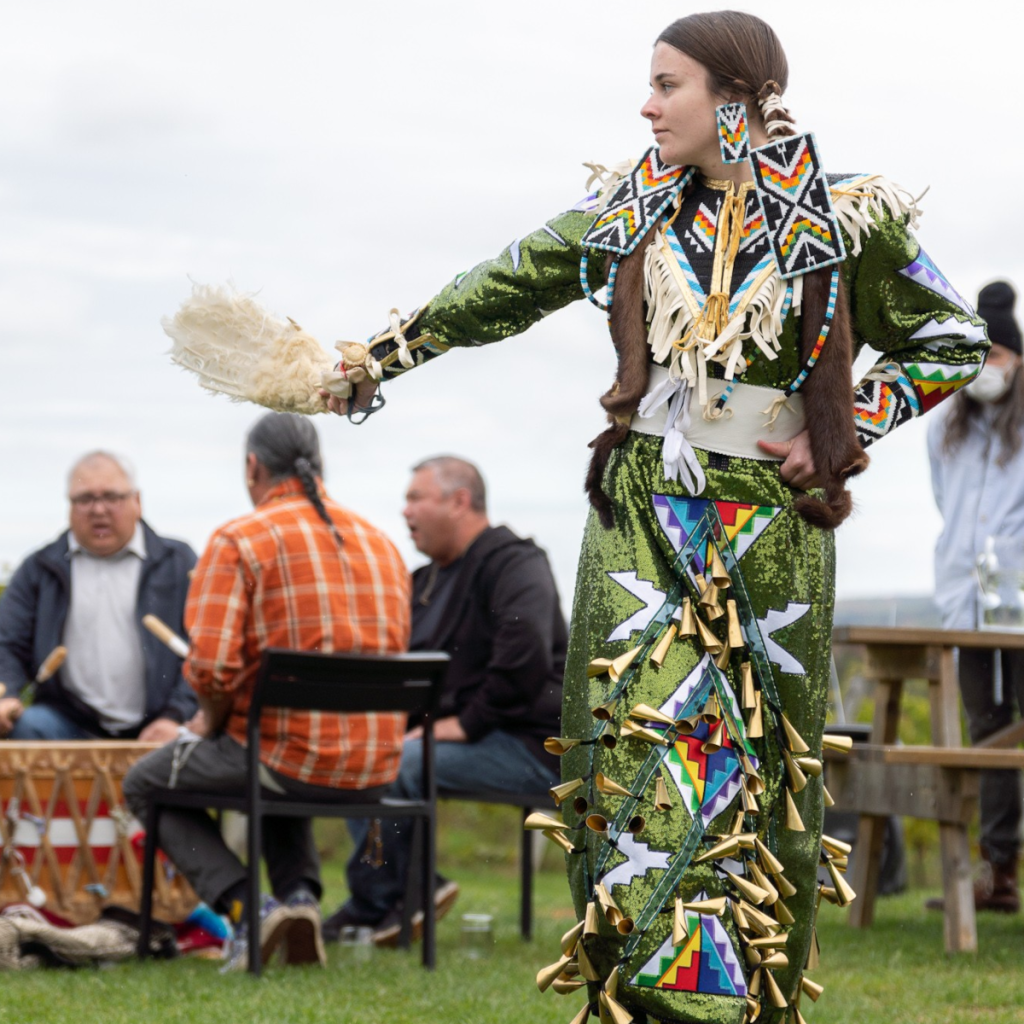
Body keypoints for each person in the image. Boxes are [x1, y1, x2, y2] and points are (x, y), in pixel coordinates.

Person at [179, 10, 987, 1021]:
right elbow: (501, 285)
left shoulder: (845, 219)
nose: (646, 106)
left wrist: (849, 420)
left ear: (734, 99)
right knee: (633, 753)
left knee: (752, 763)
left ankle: (737, 1001)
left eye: (667, 85)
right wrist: (366, 364)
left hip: (769, 533)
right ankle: (648, 998)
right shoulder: (628, 211)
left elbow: (949, 335)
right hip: (642, 519)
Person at [122, 413, 411, 970]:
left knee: (145, 783)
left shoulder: (241, 540)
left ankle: (247, 907)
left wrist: (208, 720)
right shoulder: (382, 544)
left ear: (253, 466)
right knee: (274, 754)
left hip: (285, 758)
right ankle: (300, 901)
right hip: (375, 768)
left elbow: (210, 669)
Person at [323, 456, 564, 945]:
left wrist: (464, 725)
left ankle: (386, 904)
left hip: (531, 745)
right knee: (369, 753)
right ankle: (407, 894)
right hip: (462, 741)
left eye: (416, 498)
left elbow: (525, 655)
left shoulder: (514, 561)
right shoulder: (423, 580)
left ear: (459, 501)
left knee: (397, 762)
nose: (404, 511)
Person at [928, 281, 1024, 914]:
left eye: (999, 356)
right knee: (984, 732)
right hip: (966, 601)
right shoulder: (944, 425)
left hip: (1021, 603)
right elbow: (945, 500)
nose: (990, 367)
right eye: (980, 355)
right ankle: (998, 872)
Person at [0, 451, 196, 742]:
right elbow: (7, 642)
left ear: (137, 502)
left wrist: (175, 716)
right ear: (69, 505)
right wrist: (8, 692)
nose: (98, 509)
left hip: (162, 724)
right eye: (84, 499)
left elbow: (207, 650)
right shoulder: (39, 568)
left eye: (112, 497)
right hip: (66, 722)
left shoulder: (179, 563)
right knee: (27, 727)